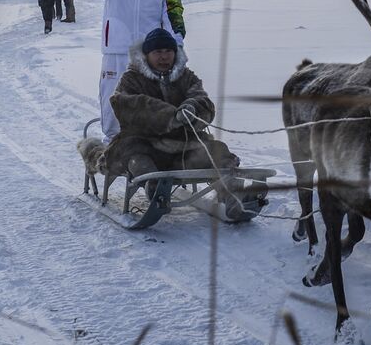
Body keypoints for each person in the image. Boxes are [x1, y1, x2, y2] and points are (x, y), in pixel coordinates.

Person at [104, 27, 263, 218]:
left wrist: (192, 107)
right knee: (138, 159)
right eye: (158, 52)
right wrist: (170, 116)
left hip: (183, 146)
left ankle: (234, 196)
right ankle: (155, 191)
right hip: (144, 143)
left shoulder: (186, 77)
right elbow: (125, 104)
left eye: (168, 51)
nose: (164, 57)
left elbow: (202, 100)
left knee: (216, 152)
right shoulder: (131, 79)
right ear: (147, 55)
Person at [81, 0, 185, 141]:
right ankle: (113, 140)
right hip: (116, 49)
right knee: (112, 94)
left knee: (149, 96)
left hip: (150, 52)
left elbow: (173, 10)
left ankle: (146, 139)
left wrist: (176, 40)